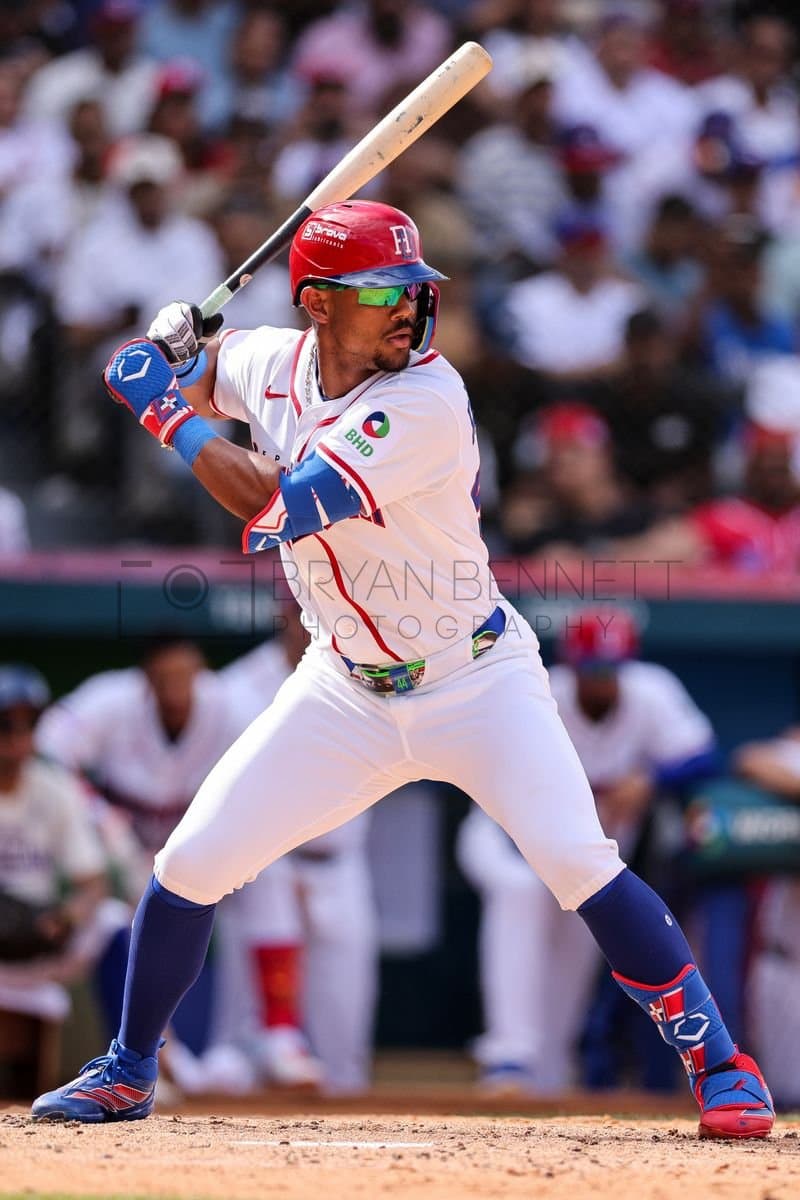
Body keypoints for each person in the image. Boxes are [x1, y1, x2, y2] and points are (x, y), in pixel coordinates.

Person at [32, 199, 773, 1138]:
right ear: (317, 304)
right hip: (345, 688)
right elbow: (213, 373)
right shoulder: (270, 358)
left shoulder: (427, 398)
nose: (408, 310)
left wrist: (161, 406)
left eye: (414, 291)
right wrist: (172, 347)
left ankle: (720, 1064)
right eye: (382, 291)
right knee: (190, 862)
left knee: (579, 863)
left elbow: (280, 506)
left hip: (476, 678)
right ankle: (128, 1070)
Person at [457, 607, 718, 1094]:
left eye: (611, 670)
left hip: (579, 851)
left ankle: (547, 1073)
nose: (603, 681)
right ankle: (509, 1056)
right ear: (572, 666)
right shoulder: (540, 690)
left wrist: (652, 778)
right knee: (521, 894)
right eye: (593, 670)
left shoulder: (651, 692)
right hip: (504, 836)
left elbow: (705, 756)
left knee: (581, 940)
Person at [218, 602, 377, 1095]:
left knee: (345, 1020)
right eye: (300, 611)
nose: (310, 623)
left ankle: (347, 1128)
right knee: (249, 1026)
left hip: (341, 861)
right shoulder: (239, 687)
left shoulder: (366, 666)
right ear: (284, 616)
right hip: (269, 864)